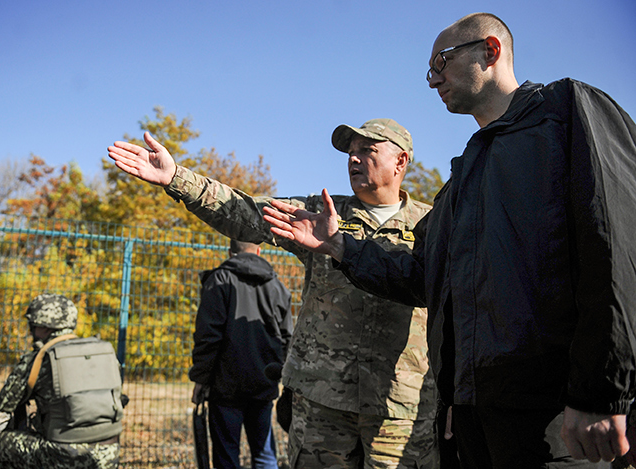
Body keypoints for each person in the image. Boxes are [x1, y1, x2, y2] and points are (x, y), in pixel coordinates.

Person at [261, 12, 636, 469]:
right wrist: (340, 246)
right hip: (475, 420)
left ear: (490, 51)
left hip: (559, 419)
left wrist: (601, 392)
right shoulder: (460, 180)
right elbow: (423, 277)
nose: (432, 78)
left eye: (441, 61)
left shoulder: (567, 112)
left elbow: (616, 247)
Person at [108, 118, 439, 468]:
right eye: (350, 152)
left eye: (366, 151)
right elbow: (245, 213)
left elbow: (458, 312)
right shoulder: (321, 213)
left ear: (400, 161)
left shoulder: (430, 224)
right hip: (321, 401)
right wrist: (178, 179)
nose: (353, 159)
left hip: (400, 407)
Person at [0, 294, 123, 469]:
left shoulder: (38, 359)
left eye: (33, 325)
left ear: (42, 326)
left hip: (63, 458)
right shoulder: (102, 353)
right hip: (109, 456)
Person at [189, 238, 293, 469]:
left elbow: (208, 337)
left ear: (229, 252)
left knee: (227, 455)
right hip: (264, 383)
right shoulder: (276, 285)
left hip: (225, 386)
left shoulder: (219, 280)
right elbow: (288, 337)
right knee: (265, 453)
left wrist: (200, 378)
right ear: (258, 250)